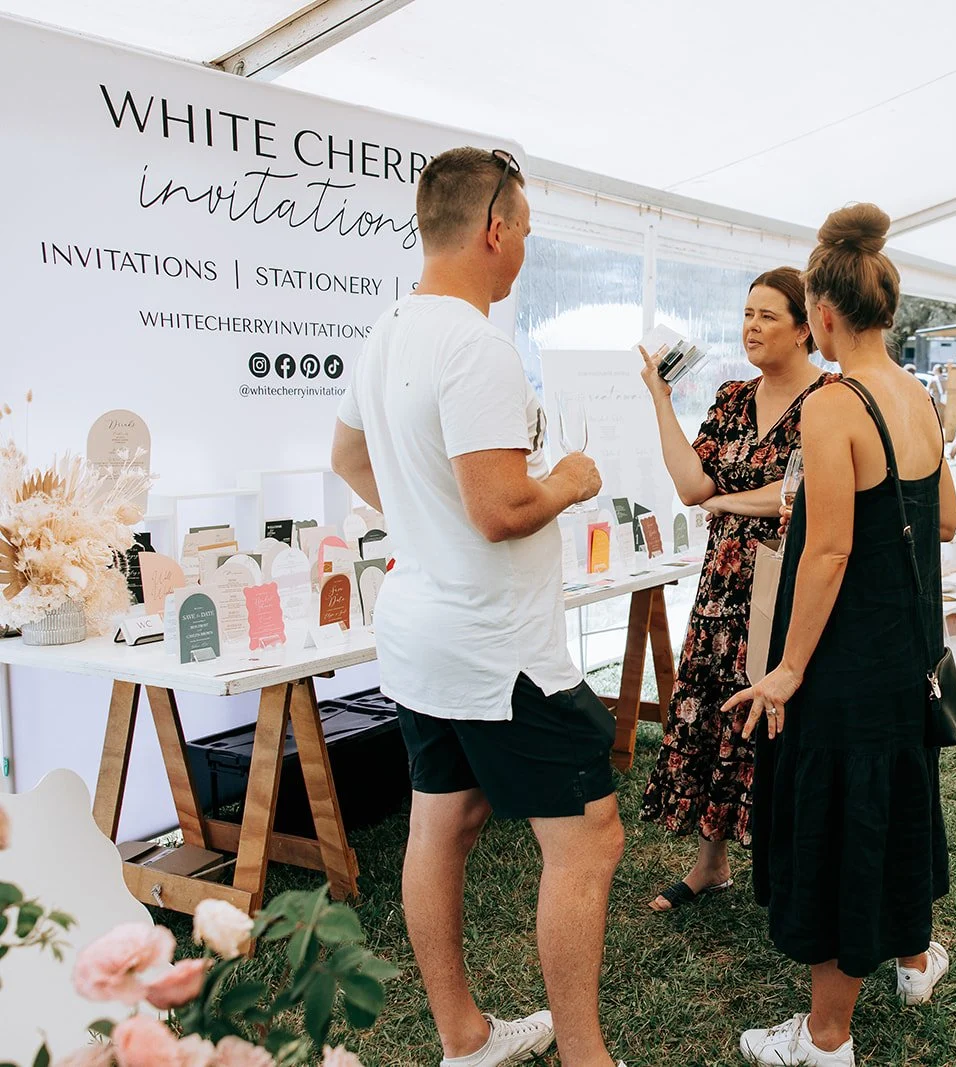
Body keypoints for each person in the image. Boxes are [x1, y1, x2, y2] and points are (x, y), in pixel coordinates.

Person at [330, 147, 627, 1067]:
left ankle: (464, 1038)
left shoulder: (386, 335)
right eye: (528, 234)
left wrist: (426, 526)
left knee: (442, 819)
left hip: (422, 636)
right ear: (494, 229)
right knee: (590, 839)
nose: (526, 252)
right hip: (500, 651)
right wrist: (570, 481)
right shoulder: (476, 343)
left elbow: (348, 460)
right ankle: (585, 1057)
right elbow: (501, 508)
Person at [726, 203, 956, 1067]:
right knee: (896, 799)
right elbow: (941, 515)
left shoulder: (833, 405)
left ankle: (826, 1037)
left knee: (845, 819)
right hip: (906, 647)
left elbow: (826, 552)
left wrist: (786, 668)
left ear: (821, 315)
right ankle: (914, 957)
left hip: (844, 654)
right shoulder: (918, 397)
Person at [636, 267, 833, 911]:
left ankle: (787, 866)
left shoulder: (830, 401)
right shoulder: (729, 399)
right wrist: (661, 399)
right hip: (724, 584)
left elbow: (798, 497)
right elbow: (693, 489)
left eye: (768, 315)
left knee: (778, 720)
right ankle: (710, 863)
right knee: (716, 707)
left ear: (805, 328)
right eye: (747, 313)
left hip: (786, 583)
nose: (751, 326)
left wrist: (731, 501)